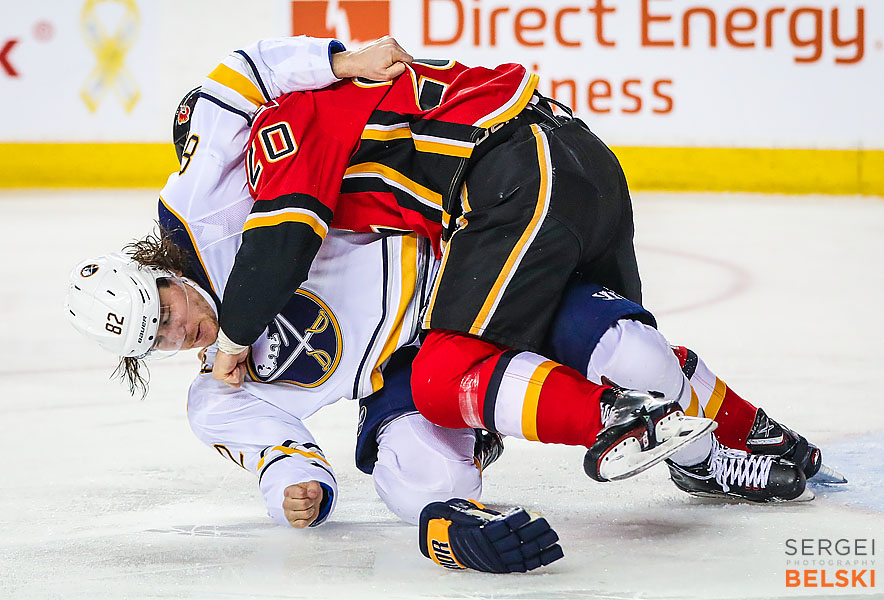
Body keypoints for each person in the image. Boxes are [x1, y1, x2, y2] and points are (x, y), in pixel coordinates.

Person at [208, 54, 842, 496]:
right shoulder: (352, 101)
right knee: (614, 348)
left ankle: (620, 420)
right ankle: (750, 436)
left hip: (517, 176)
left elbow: (284, 235)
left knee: (442, 376)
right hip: (581, 158)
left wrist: (235, 338)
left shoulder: (282, 121)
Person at [65, 35, 563, 575]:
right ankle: (458, 528)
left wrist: (343, 62)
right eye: (158, 341)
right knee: (428, 479)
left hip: (447, 266)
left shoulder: (197, 208)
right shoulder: (218, 391)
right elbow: (275, 449)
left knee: (586, 335)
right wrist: (292, 488)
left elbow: (239, 76)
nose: (178, 333)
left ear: (161, 276)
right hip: (397, 373)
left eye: (163, 314)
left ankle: (666, 416)